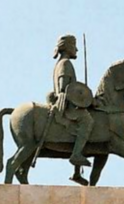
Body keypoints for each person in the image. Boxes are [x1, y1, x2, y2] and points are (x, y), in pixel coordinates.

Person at [52, 34, 94, 169]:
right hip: (66, 104)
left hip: (66, 102)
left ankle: (77, 169)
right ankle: (76, 154)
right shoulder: (65, 64)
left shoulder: (60, 63)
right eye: (74, 46)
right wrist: (84, 100)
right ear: (68, 47)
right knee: (87, 120)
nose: (76, 50)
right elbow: (65, 88)